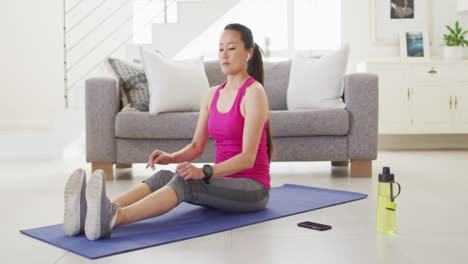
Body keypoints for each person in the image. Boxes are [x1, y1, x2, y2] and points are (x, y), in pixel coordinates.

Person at [63, 23, 274, 241]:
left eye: (231, 48)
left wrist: (205, 172)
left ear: (248, 53)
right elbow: (196, 147)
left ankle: (114, 218)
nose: (224, 55)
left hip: (252, 189)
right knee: (164, 176)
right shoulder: (213, 94)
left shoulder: (254, 93)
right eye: (221, 49)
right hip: (221, 182)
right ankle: (90, 215)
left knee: (186, 183)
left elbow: (248, 159)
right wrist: (171, 157)